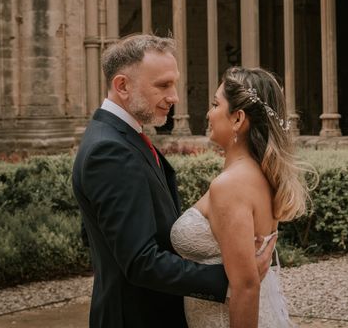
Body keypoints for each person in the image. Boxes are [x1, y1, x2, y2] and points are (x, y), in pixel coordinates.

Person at [72, 34, 276, 328]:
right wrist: (231, 279)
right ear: (122, 86)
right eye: (162, 85)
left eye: (174, 83)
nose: (175, 97)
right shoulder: (110, 150)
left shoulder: (122, 137)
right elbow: (140, 261)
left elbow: (99, 232)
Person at [170, 66, 311, 327]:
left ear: (237, 119)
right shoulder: (260, 174)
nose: (209, 114)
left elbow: (246, 288)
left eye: (215, 104)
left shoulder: (231, 185)